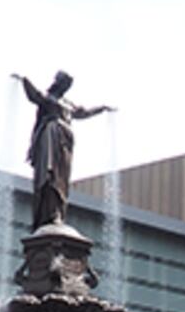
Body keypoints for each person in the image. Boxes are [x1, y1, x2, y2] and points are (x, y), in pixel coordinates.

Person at [15, 71, 114, 231]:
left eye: (68, 85)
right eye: (64, 83)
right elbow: (35, 96)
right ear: (57, 82)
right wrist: (24, 80)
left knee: (62, 180)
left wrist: (101, 108)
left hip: (66, 142)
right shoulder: (48, 98)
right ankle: (48, 214)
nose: (65, 87)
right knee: (50, 175)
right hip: (51, 137)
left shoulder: (68, 103)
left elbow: (83, 112)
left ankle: (58, 213)